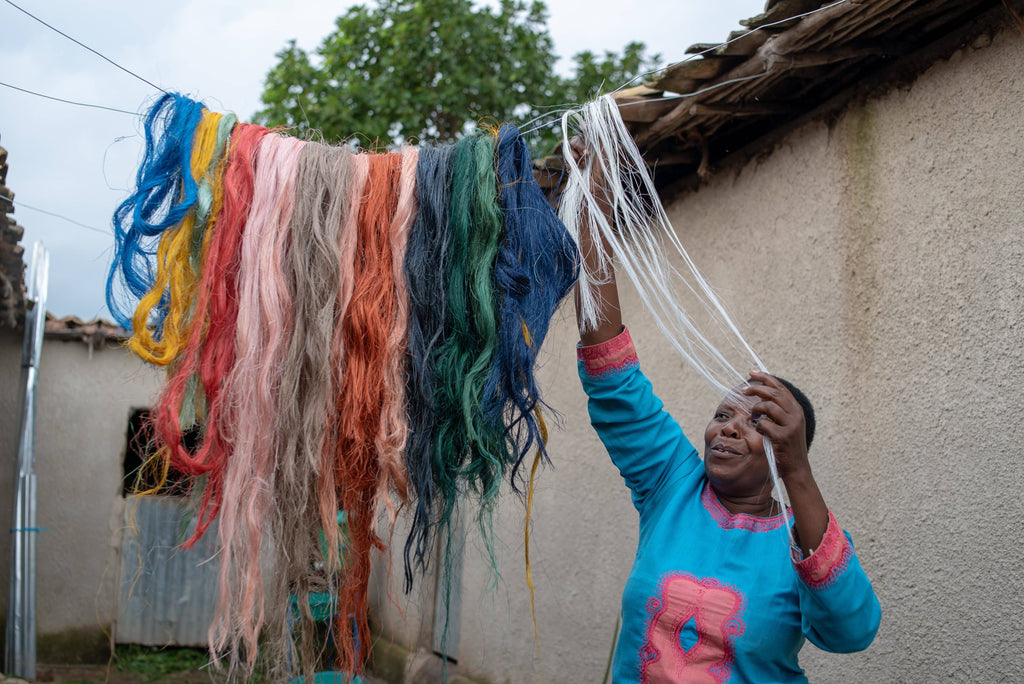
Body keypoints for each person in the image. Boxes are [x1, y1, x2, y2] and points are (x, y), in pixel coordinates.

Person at [570, 139, 881, 683]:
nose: (728, 428)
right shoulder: (673, 486)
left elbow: (851, 634)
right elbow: (611, 377)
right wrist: (592, 199)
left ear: (786, 450)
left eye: (757, 422)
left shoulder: (803, 545)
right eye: (723, 414)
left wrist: (799, 472)